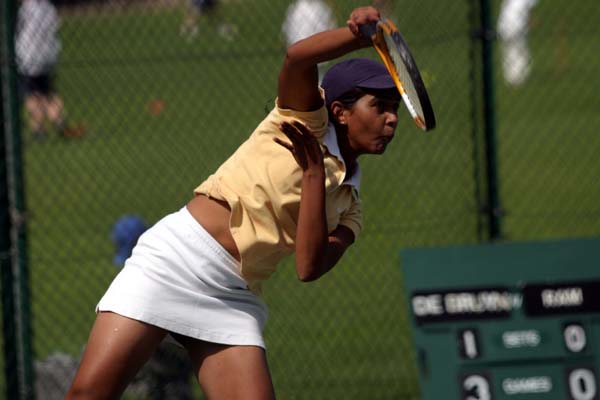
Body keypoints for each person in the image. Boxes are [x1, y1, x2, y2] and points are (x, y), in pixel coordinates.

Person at [66, 5, 402, 399]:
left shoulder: (350, 206)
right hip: (176, 259)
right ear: (341, 112)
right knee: (88, 395)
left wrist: (314, 176)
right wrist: (358, 36)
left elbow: (308, 268)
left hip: (233, 294)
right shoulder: (303, 121)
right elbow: (297, 57)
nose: (392, 120)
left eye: (395, 109)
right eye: (379, 106)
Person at [15, 0, 82, 140]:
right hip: (48, 55)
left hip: (28, 57)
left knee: (32, 93)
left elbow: (18, 30)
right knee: (48, 91)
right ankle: (59, 122)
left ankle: (38, 128)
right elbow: (56, 27)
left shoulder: (26, 9)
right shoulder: (48, 7)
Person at [497, 0, 539, 86]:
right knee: (518, 53)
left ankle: (513, 76)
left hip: (505, 27)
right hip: (515, 28)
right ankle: (516, 78)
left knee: (511, 52)